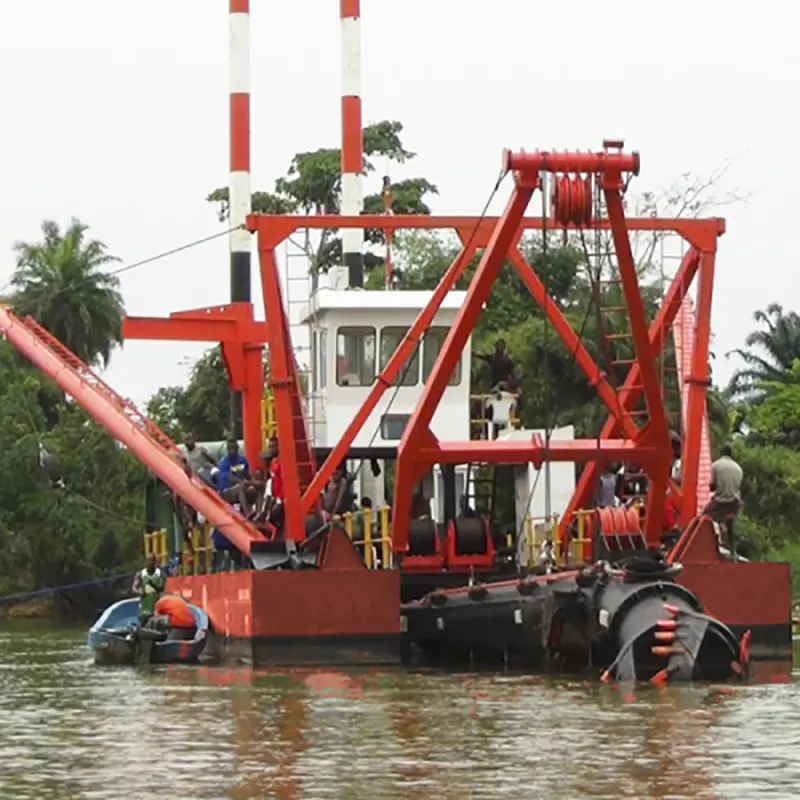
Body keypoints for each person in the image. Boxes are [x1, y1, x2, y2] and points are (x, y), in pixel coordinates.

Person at [702, 444, 743, 539]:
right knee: (730, 522)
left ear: (721, 454)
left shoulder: (716, 465)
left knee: (704, 517)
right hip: (734, 503)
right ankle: (731, 547)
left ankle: (708, 539)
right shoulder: (738, 468)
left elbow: (712, 486)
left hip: (721, 501)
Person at [132, 555, 165, 625]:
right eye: (148, 560)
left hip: (156, 608)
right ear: (145, 562)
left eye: (152, 560)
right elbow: (134, 588)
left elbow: (161, 588)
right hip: (144, 608)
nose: (150, 563)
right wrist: (139, 592)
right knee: (142, 627)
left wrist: (152, 584)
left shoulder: (160, 574)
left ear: (155, 562)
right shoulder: (140, 574)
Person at [217, 438, 250, 502]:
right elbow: (229, 477)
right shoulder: (224, 462)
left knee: (257, 489)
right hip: (226, 490)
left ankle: (259, 511)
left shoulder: (242, 460)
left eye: (234, 448)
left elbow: (248, 473)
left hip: (242, 486)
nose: (232, 450)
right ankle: (247, 511)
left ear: (237, 448)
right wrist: (241, 481)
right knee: (241, 487)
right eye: (230, 448)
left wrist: (254, 482)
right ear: (227, 449)